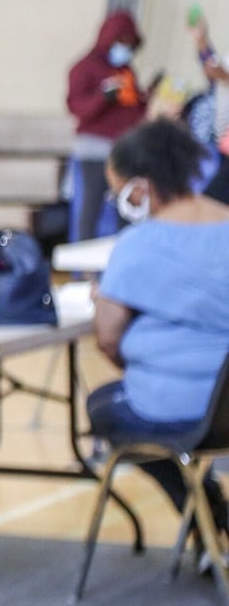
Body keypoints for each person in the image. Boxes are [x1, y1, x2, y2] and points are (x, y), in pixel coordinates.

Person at [87, 118, 229, 561]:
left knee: (104, 408)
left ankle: (210, 519)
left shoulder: (139, 245)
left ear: (142, 185)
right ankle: (210, 522)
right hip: (226, 405)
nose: (118, 202)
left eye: (118, 191)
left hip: (179, 408)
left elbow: (107, 338)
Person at [65, 10, 148, 242]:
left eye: (129, 44)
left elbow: (134, 110)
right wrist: (103, 96)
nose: (125, 49)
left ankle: (127, 257)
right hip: (94, 151)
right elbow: (77, 107)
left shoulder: (126, 71)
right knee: (91, 206)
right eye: (121, 42)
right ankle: (83, 266)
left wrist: (146, 98)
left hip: (124, 151)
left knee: (127, 209)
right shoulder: (83, 68)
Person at [184, 13, 229, 205]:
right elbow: (212, 68)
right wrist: (201, 40)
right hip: (224, 144)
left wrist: (220, 73)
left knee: (213, 201)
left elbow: (217, 72)